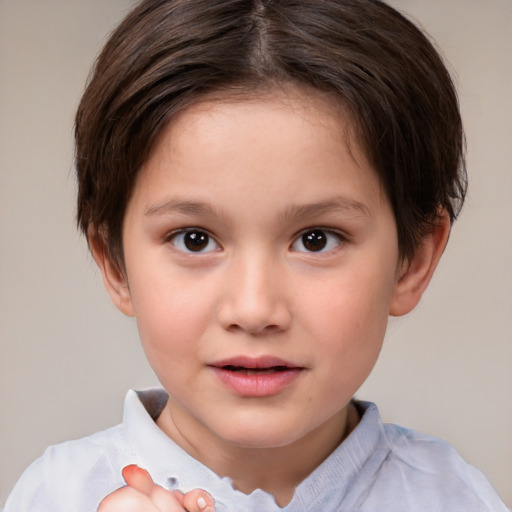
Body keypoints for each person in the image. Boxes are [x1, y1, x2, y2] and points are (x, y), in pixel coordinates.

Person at [3, 0, 508, 510]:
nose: (254, 309)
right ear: (115, 264)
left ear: (413, 261)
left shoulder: (454, 498)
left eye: (317, 239)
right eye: (194, 239)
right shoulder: (57, 496)